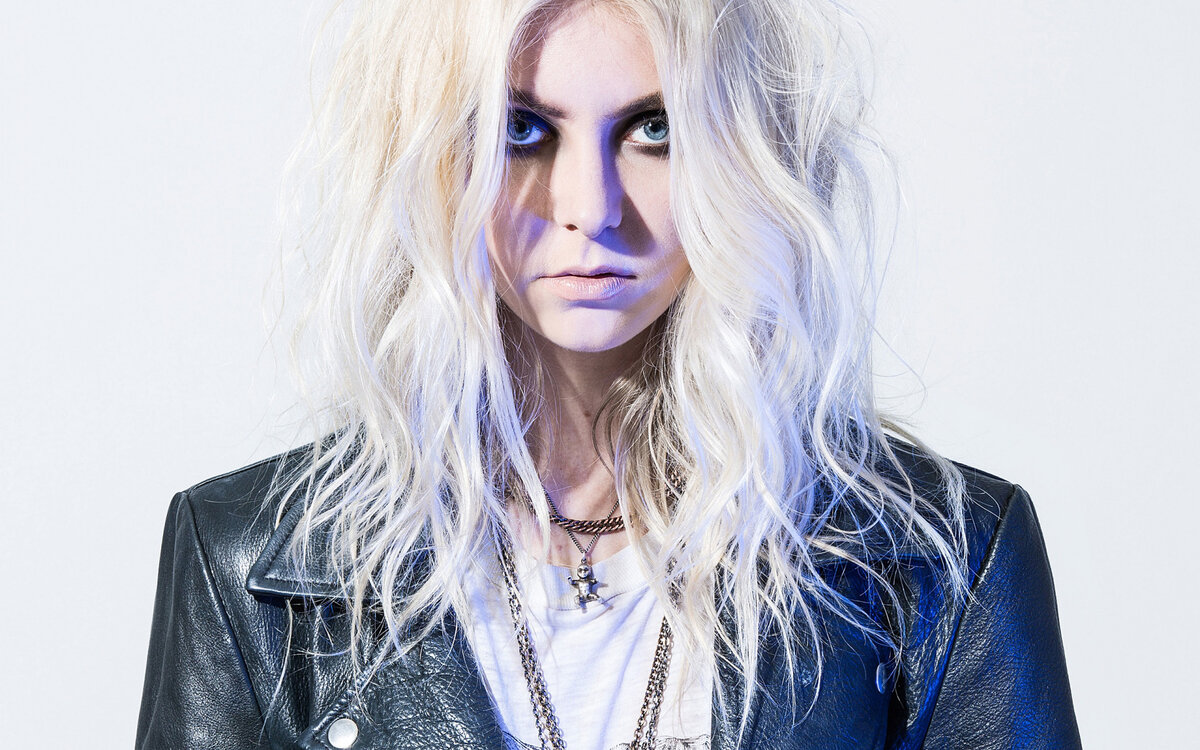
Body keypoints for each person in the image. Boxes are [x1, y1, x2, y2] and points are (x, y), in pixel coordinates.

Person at [136, 0, 1081, 748]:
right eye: (521, 130)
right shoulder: (249, 567)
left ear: (742, 155)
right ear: (431, 158)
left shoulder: (941, 562)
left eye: (654, 129)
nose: (591, 208)